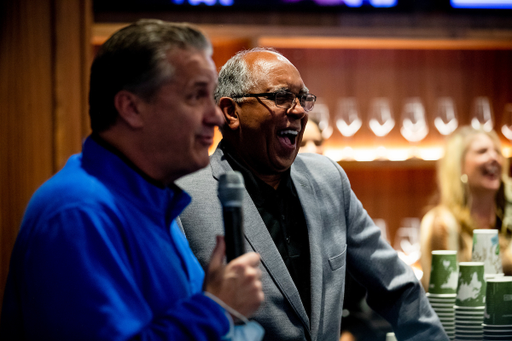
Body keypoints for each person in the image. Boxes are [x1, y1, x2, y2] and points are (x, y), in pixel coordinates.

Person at [0, 19, 264, 340]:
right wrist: (217, 309)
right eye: (196, 96)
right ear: (131, 108)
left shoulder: (152, 200)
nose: (216, 116)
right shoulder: (78, 212)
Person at [177, 47, 449, 341]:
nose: (297, 111)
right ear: (230, 112)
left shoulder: (327, 178)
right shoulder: (183, 195)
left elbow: (397, 286)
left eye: (303, 99)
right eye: (281, 98)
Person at [420, 126, 512, 289]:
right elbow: (444, 291)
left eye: (497, 152)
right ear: (459, 166)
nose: (494, 158)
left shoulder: (507, 218)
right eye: (482, 151)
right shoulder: (441, 223)